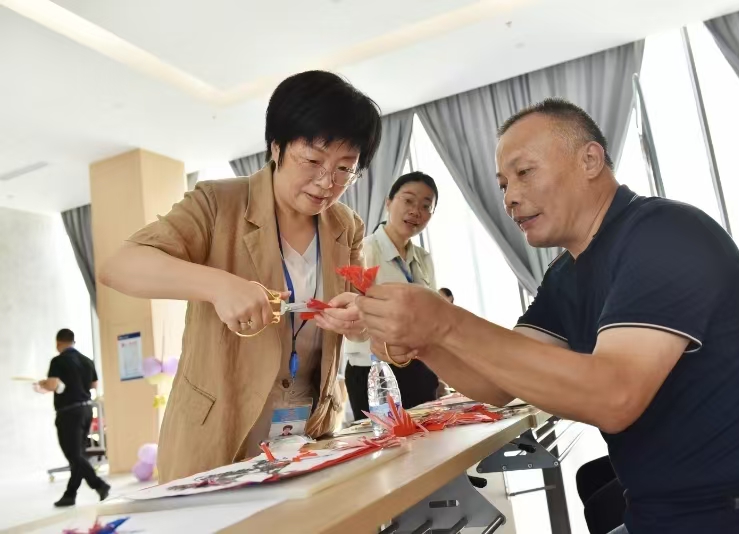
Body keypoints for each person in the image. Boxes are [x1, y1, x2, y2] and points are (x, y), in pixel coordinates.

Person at [354, 99, 739, 533]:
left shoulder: (665, 234)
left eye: (524, 172)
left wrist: (446, 322)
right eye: (503, 184)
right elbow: (497, 384)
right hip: (664, 512)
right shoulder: (566, 274)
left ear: (590, 160)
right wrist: (424, 340)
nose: (510, 198)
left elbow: (615, 397)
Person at [99, 70, 380, 482]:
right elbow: (121, 266)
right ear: (277, 147)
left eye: (344, 169)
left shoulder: (346, 225)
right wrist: (218, 285)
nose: (327, 183)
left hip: (309, 432)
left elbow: (359, 310)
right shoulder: (218, 203)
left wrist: (358, 317)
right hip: (217, 432)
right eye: (313, 161)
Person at [343, 172, 441, 419]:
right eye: (408, 200)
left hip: (419, 366)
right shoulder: (363, 252)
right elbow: (350, 313)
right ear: (388, 202)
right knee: (386, 442)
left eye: (426, 206)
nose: (416, 211)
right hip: (374, 372)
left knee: (431, 439)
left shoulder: (423, 258)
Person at [35, 329, 110, 507]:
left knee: (73, 454)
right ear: (73, 342)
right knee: (79, 454)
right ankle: (70, 494)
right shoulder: (87, 360)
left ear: (58, 343)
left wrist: (44, 384)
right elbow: (94, 385)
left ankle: (99, 484)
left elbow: (52, 385)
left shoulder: (58, 361)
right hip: (86, 410)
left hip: (68, 412)